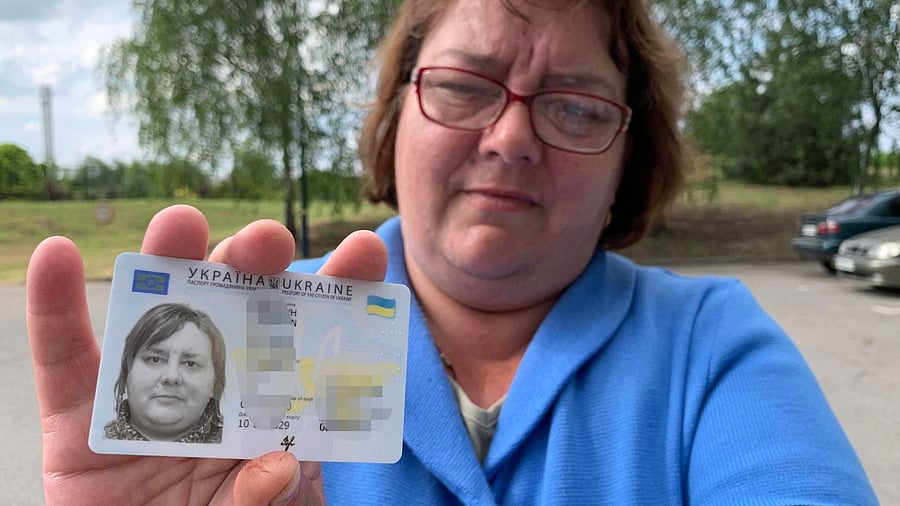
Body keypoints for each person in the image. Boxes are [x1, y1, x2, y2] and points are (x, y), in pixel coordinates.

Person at [25, 0, 877, 504]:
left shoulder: (711, 345)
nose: (510, 138)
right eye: (465, 86)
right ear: (396, 124)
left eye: (576, 106)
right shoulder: (242, 326)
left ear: (630, 157)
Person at [104, 302, 226, 443]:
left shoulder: (241, 450)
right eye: (155, 360)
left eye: (190, 364)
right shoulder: (91, 443)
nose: (171, 376)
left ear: (215, 380)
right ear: (128, 369)